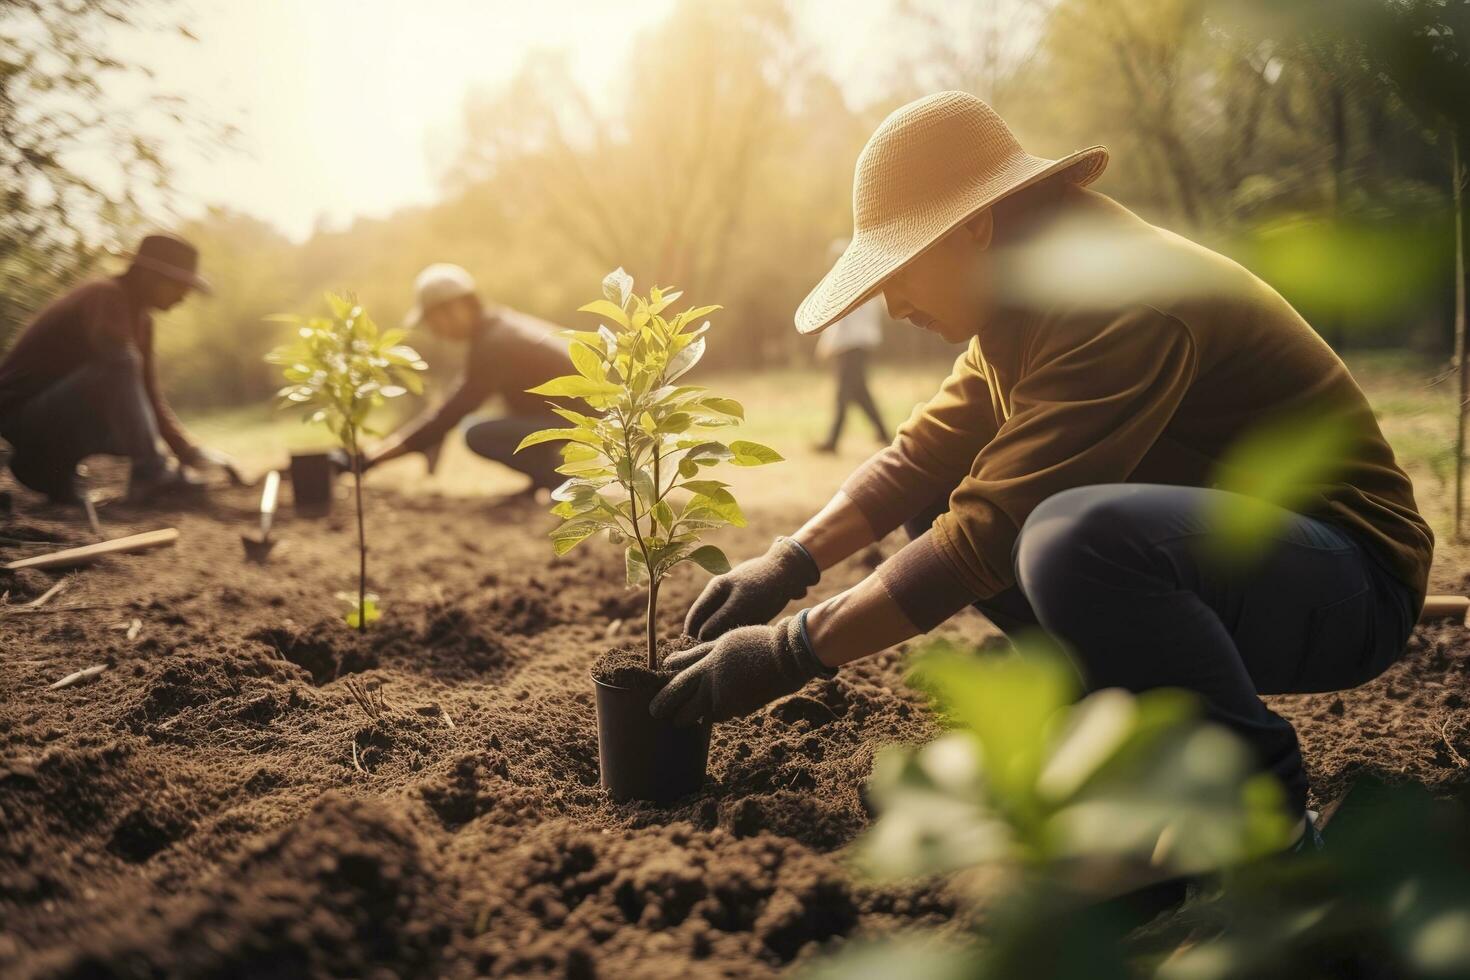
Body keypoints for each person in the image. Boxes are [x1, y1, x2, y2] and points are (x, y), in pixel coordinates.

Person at [650, 92, 1431, 853]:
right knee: (947, 509)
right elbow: (922, 455)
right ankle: (1119, 751)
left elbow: (988, 536)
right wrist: (789, 564)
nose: (889, 305)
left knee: (1069, 540)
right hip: (1243, 565)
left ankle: (1264, 821)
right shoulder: (1023, 305)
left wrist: (790, 651)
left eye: (900, 269)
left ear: (977, 227)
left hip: (1348, 581)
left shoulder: (1121, 297)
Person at [0, 233, 243, 504]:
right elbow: (118, 370)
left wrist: (191, 452)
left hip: (50, 429)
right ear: (150, 275)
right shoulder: (105, 295)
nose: (184, 296)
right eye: (179, 285)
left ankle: (53, 471)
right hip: (21, 419)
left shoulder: (142, 320)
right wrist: (155, 458)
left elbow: (147, 394)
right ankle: (151, 474)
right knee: (121, 364)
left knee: (134, 398)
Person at [363, 263, 569, 492]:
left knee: (477, 433)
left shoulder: (494, 344)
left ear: (456, 308)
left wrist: (372, 460)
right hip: (579, 417)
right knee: (502, 419)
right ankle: (550, 479)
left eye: (433, 320)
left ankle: (561, 480)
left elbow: (450, 415)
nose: (434, 330)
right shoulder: (500, 327)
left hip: (586, 422)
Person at [813, 292, 889, 453]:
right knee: (860, 393)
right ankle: (883, 434)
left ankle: (832, 441)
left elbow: (838, 319)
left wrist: (826, 344)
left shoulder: (848, 289)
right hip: (863, 345)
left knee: (844, 393)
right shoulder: (873, 291)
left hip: (848, 346)